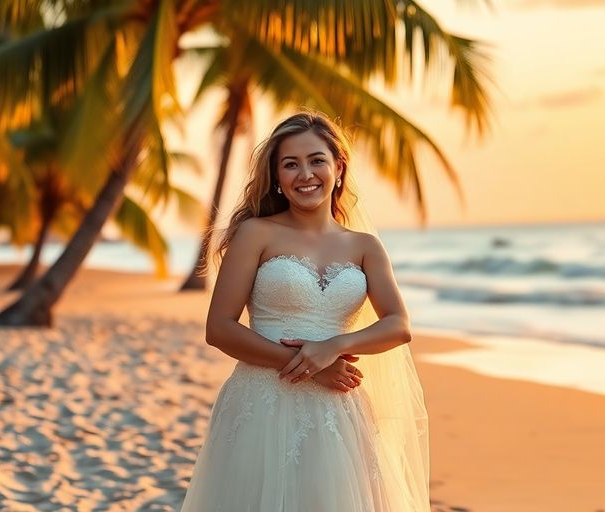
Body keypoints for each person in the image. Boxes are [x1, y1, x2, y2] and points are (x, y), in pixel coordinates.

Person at [179, 111, 430, 511]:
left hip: (340, 411)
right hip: (262, 403)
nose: (305, 174)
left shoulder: (365, 246)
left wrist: (334, 346)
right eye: (290, 164)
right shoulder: (256, 234)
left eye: (316, 161)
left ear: (338, 168)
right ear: (276, 177)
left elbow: (398, 325)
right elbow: (220, 329)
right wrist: (308, 364)